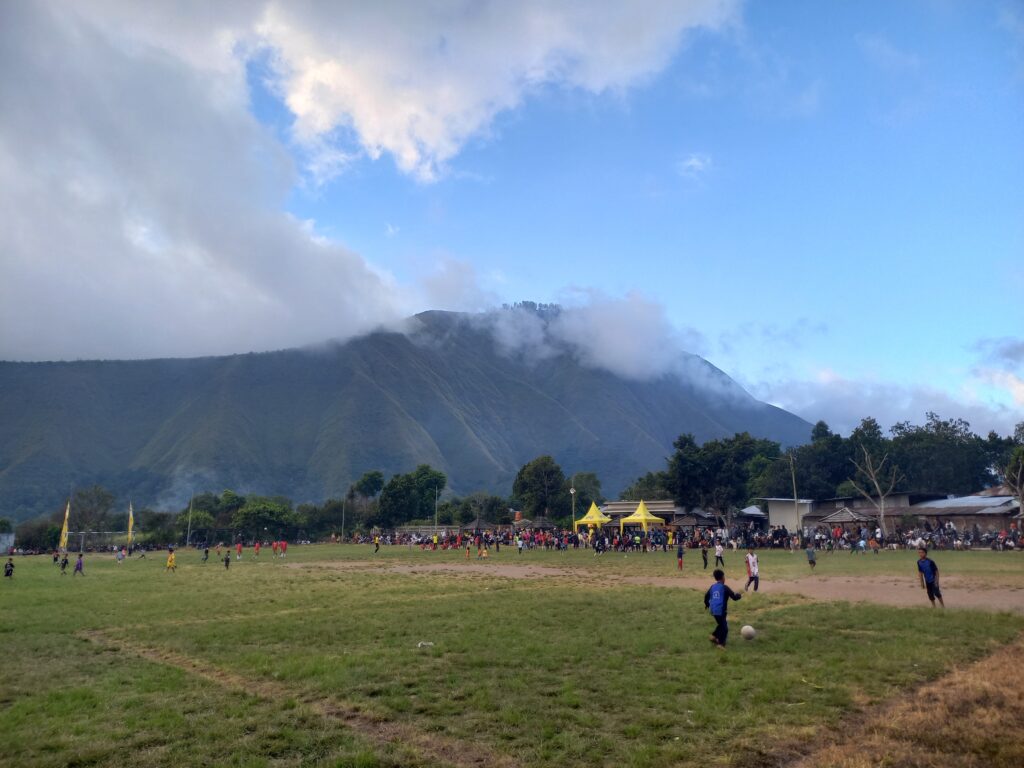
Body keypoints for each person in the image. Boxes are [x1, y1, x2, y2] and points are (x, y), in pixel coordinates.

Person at [704, 568, 742, 648]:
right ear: (723, 577)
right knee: (725, 628)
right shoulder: (725, 587)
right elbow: (734, 597)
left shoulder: (712, 587)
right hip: (721, 611)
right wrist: (739, 595)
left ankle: (714, 636)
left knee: (721, 624)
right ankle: (721, 644)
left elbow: (706, 596)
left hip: (713, 610)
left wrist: (707, 604)